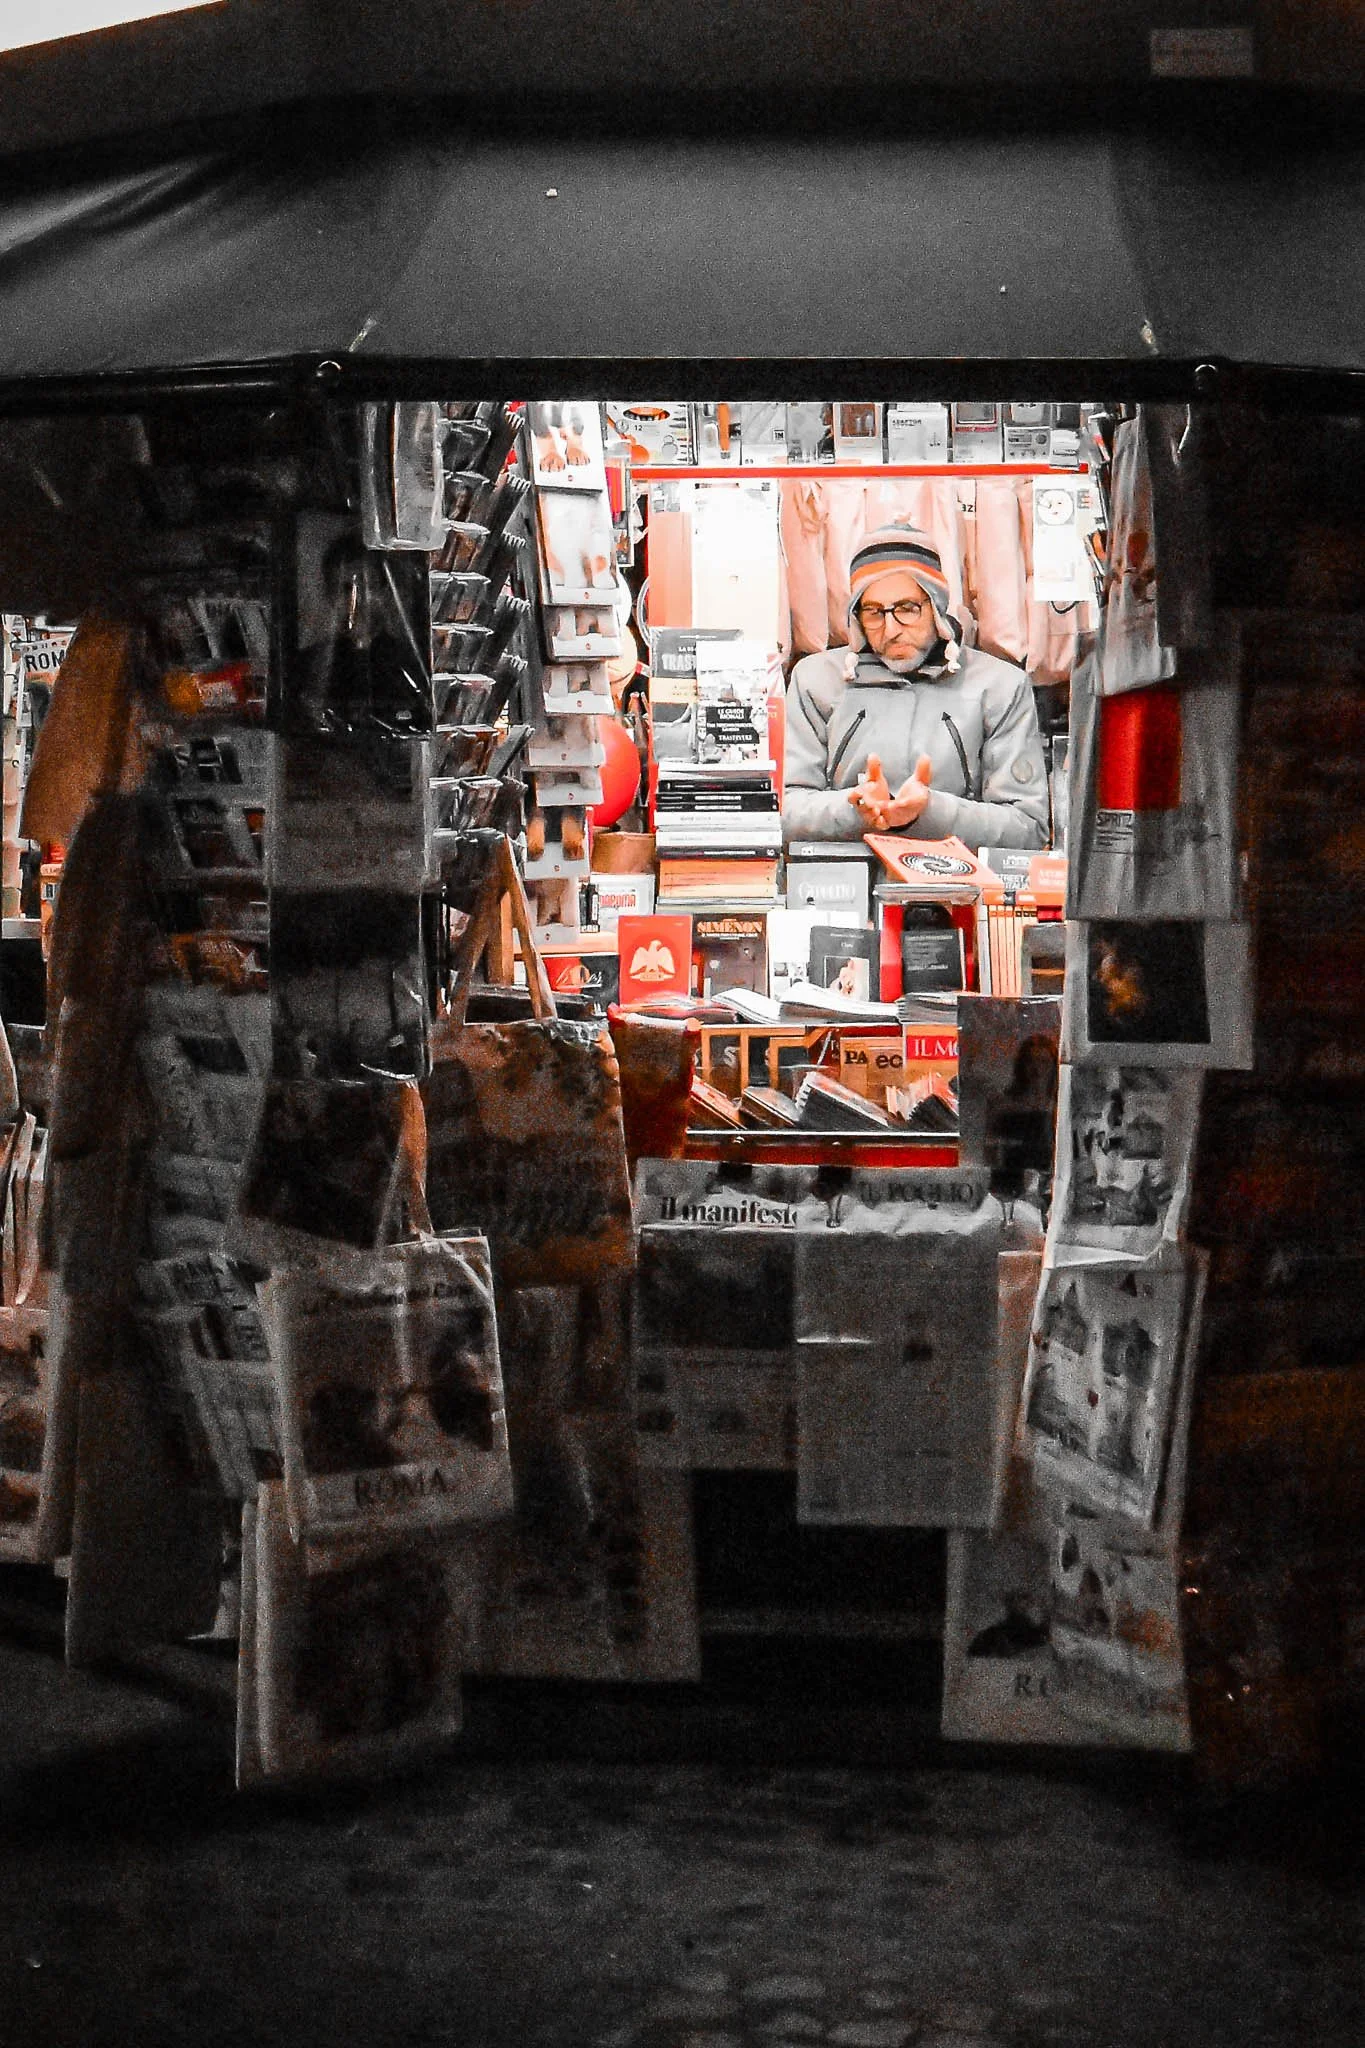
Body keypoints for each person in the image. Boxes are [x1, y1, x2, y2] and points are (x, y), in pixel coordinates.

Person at [782, 524, 1050, 847]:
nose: (891, 629)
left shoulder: (1000, 688)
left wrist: (930, 810)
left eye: (907, 609)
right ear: (855, 616)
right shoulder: (816, 681)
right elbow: (784, 809)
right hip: (840, 886)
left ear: (936, 605)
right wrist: (854, 807)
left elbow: (1028, 827)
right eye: (874, 612)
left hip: (958, 888)